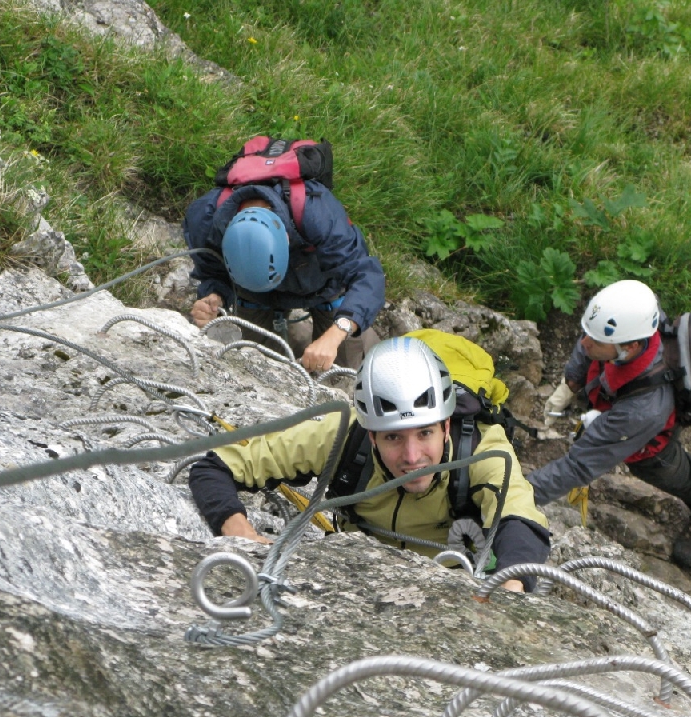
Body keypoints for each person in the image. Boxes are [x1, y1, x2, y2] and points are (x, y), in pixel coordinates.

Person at [188, 337, 552, 592]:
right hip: (349, 574)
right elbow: (214, 467)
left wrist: (511, 584)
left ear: (445, 426)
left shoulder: (483, 447)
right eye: (393, 437)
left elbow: (519, 520)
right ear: (372, 434)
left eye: (424, 434)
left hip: (452, 582)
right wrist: (240, 533)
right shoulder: (345, 435)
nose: (412, 458)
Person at [528, 280, 691, 568]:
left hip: (650, 445)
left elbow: (579, 466)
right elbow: (589, 339)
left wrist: (519, 495)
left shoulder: (643, 410)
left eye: (595, 342)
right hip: (621, 403)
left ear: (631, 347)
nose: (584, 344)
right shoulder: (630, 321)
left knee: (670, 473)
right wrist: (572, 379)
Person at [183, 178, 384, 373]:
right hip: (252, 295)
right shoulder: (206, 221)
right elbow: (211, 271)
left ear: (286, 239)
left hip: (323, 283)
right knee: (258, 369)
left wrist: (337, 331)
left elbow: (366, 275)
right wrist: (214, 296)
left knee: (342, 367)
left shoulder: (318, 214)